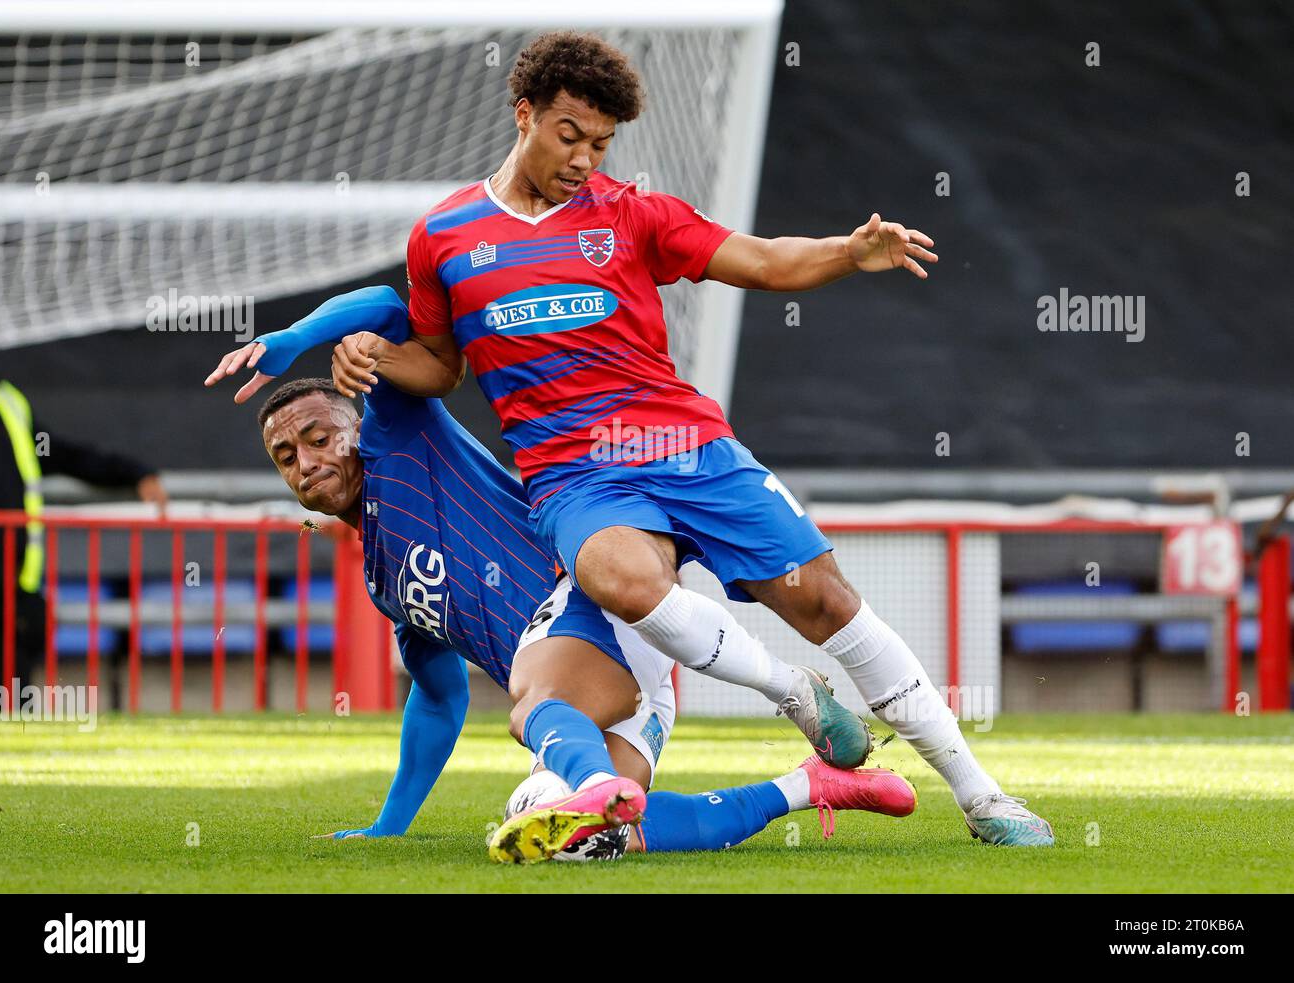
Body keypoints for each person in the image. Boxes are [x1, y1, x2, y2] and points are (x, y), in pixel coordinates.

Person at [333, 31, 1051, 846]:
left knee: (827, 601)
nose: (584, 158)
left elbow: (766, 263)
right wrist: (380, 356)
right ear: (524, 112)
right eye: (570, 135)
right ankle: (790, 693)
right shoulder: (445, 237)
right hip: (576, 473)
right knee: (613, 573)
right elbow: (440, 365)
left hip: (684, 445)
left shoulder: (631, 213)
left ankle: (983, 794)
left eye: (601, 143)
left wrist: (847, 254)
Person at [204, 290, 914, 863]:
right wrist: (390, 824)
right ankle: (810, 786)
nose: (304, 460)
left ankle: (760, 703)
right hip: (607, 685)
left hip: (588, 598)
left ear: (355, 427)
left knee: (532, 711)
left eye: (318, 436)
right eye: (285, 455)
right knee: (572, 832)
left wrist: (293, 338)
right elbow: (437, 695)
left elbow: (392, 305)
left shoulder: (399, 432)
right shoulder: (383, 580)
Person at [0, 373, 167, 692]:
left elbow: (61, 454)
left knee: (14, 720)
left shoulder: (7, 399)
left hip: (15, 596)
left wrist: (133, 473)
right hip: (8, 595)